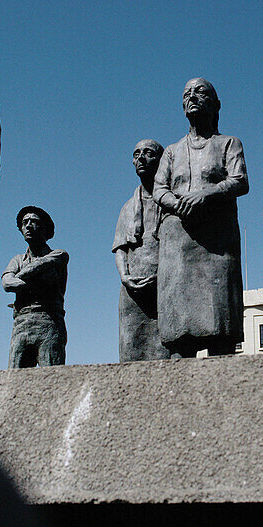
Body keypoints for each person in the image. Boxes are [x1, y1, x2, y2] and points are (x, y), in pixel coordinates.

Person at [153, 79, 248, 358]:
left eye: (201, 92)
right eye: (186, 94)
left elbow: (240, 180)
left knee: (221, 325)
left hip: (217, 241)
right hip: (179, 241)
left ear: (216, 105)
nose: (192, 97)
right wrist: (178, 203)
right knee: (180, 332)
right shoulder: (171, 151)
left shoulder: (229, 143)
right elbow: (160, 188)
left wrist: (207, 194)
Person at [112, 139, 168, 362]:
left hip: (163, 287)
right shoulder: (127, 207)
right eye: (136, 154)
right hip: (132, 291)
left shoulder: (170, 202)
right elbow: (120, 249)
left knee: (165, 353)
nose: (141, 158)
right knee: (131, 352)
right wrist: (125, 277)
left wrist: (162, 275)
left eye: (148, 153)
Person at [3, 206, 68, 368]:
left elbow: (39, 274)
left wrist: (19, 278)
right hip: (20, 325)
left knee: (52, 377)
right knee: (14, 379)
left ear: (45, 228)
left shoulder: (58, 255)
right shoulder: (17, 259)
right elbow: (7, 283)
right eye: (25, 223)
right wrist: (31, 281)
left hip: (48, 323)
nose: (28, 226)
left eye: (34, 222)